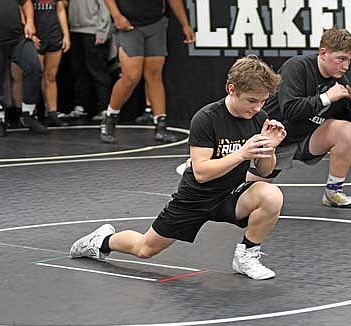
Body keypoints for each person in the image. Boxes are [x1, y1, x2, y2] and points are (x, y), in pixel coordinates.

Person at [70, 55, 287, 280]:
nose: (257, 107)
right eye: (252, 101)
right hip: (196, 198)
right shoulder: (206, 118)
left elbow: (263, 171)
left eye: (262, 101)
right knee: (145, 249)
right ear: (232, 89)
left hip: (230, 195)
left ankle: (247, 257)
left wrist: (269, 149)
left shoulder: (258, 117)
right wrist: (242, 153)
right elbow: (202, 173)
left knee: (271, 194)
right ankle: (102, 241)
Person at [247, 27, 351, 208]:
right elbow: (290, 110)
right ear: (323, 53)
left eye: (349, 60)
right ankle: (193, 168)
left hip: (304, 139)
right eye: (341, 59)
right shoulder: (297, 66)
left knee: (346, 131)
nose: (346, 66)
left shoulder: (340, 82)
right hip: (272, 142)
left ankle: (333, 192)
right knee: (243, 194)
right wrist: (326, 98)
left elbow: (343, 119)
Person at [100, 0, 195, 143]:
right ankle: (110, 117)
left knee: (154, 75)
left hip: (155, 23)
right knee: (131, 76)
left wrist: (185, 24)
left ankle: (161, 125)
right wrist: (116, 15)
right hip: (129, 24)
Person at [0, 0, 48, 136]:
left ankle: (28, 113)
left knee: (34, 67)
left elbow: (26, 2)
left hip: (17, 38)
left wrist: (30, 21)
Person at [65, 0, 113, 122]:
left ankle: (104, 109)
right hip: (75, 30)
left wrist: (102, 31)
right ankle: (81, 107)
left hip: (93, 31)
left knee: (98, 71)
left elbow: (105, 6)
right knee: (79, 70)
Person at [31, 0, 70, 127]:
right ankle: (33, 112)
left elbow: (60, 10)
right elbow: (24, 11)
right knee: (36, 75)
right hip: (37, 35)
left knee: (51, 76)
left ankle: (52, 112)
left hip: (53, 34)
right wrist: (31, 35)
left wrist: (66, 35)